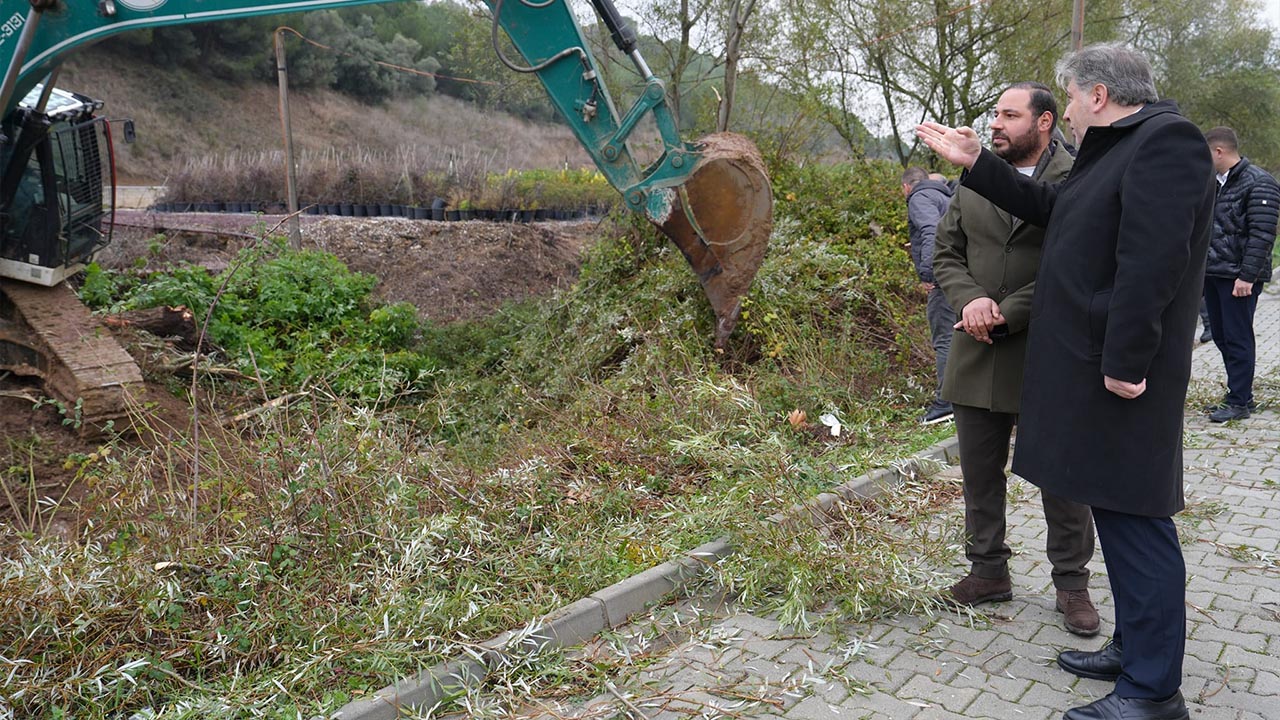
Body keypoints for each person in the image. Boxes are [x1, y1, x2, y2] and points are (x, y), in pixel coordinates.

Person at [917, 43, 1215, 720]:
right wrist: (977, 164)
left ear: (1099, 96)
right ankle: (1133, 651)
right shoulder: (1118, 150)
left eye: (1073, 98)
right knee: (1117, 515)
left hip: (1121, 380)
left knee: (1140, 526)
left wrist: (1125, 364)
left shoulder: (1167, 146)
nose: (1071, 110)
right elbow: (1057, 210)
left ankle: (1151, 693)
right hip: (1099, 373)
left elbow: (1151, 265)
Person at [932, 81, 1099, 637]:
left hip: (1046, 352)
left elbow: (1076, 263)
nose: (995, 124)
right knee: (980, 475)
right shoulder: (971, 178)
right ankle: (987, 573)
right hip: (975, 348)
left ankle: (1072, 585)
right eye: (994, 114)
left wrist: (1007, 310)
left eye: (1009, 114)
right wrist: (971, 301)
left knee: (1064, 478)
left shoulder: (1076, 179)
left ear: (1045, 121)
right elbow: (946, 252)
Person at [1201, 126, 1279, 422]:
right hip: (1216, 273)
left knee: (1237, 337)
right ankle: (1240, 393)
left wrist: (1247, 276)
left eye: (1206, 154)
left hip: (1240, 279)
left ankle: (1239, 402)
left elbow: (1262, 235)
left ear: (1218, 152)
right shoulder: (1217, 183)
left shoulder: (1259, 183)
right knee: (1221, 335)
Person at [901, 166, 956, 424]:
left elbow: (932, 231)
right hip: (961, 275)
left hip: (943, 280)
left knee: (944, 339)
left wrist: (927, 273)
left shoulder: (919, 198)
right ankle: (963, 400)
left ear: (906, 187)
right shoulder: (944, 196)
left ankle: (945, 404)